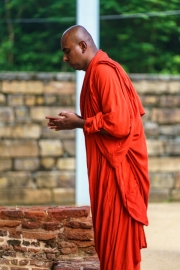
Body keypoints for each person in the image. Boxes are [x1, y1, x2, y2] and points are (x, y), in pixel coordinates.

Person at [46, 25, 150, 270]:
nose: (64, 58)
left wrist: (79, 122)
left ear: (83, 46)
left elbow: (120, 124)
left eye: (67, 51)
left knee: (117, 246)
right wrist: (77, 122)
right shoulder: (94, 72)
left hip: (118, 173)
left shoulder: (103, 72)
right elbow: (106, 119)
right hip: (107, 170)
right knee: (107, 244)